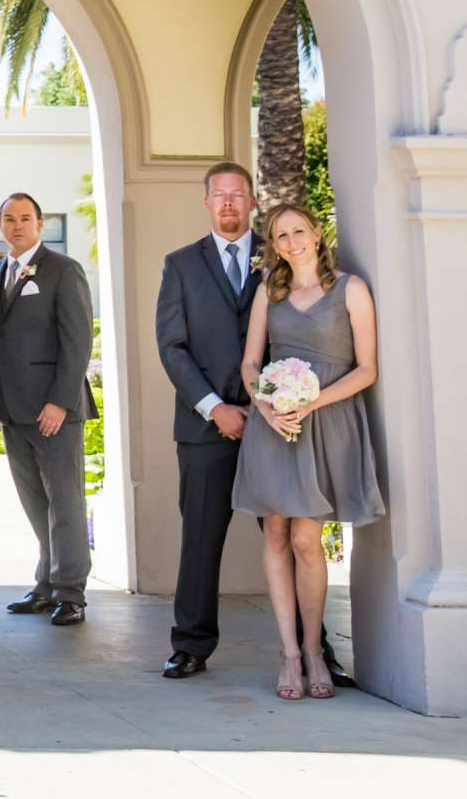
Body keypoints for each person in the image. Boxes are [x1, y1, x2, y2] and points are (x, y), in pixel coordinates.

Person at [234, 201, 383, 702]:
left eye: (299, 231)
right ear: (273, 246)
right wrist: (267, 404)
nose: (292, 241)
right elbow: (251, 363)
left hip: (325, 421)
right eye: (281, 236)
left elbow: (366, 369)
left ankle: (316, 648)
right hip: (274, 425)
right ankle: (289, 654)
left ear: (317, 235)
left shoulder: (350, 289)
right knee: (275, 532)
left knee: (306, 540)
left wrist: (311, 400)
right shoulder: (268, 293)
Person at [154, 161, 262, 680]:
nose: (228, 204)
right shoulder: (180, 265)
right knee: (200, 537)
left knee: (296, 539)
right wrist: (214, 406)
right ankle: (191, 645)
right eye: (219, 196)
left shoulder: (279, 256)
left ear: (252, 202)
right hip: (204, 427)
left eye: (237, 195)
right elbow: (171, 347)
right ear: (206, 202)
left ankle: (315, 647)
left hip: (275, 425)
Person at [0, 191, 97, 626]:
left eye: (25, 218)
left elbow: (78, 342)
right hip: (13, 411)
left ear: (41, 224)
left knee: (65, 501)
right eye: (9, 218)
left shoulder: (63, 271)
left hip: (55, 410)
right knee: (35, 502)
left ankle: (71, 594)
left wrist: (59, 401)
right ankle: (46, 585)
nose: (17, 225)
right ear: (1, 225)